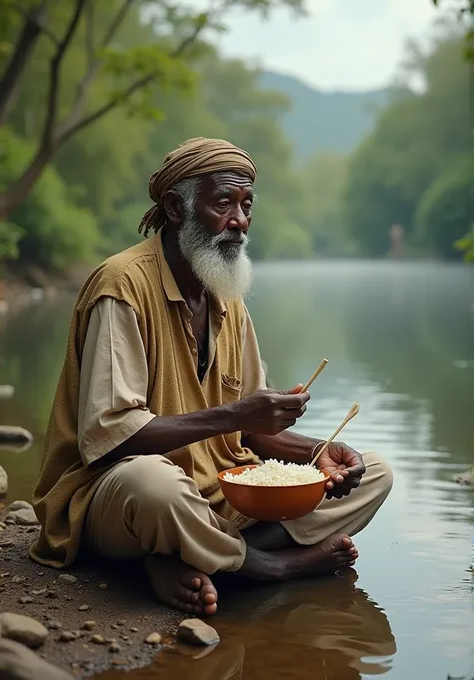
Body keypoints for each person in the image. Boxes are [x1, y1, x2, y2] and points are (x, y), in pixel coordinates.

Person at [30, 137, 393, 616]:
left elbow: (250, 431)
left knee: (375, 472)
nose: (239, 222)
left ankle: (180, 557)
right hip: (116, 496)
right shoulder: (122, 287)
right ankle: (271, 566)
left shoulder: (227, 295)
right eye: (223, 203)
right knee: (153, 486)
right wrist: (235, 415)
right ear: (176, 208)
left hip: (215, 496)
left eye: (246, 206)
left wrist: (321, 454)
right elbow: (111, 437)